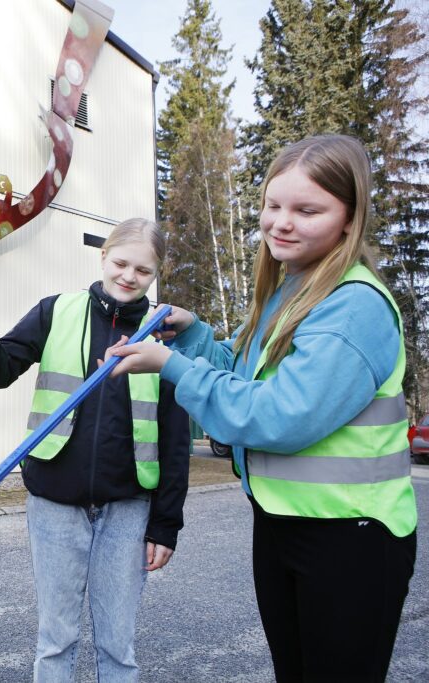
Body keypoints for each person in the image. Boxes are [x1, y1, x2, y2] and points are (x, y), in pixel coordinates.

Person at [108, 135, 417, 682]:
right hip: (282, 524)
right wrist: (197, 337)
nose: (281, 223)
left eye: (307, 210)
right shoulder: (291, 289)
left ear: (350, 217)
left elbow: (280, 416)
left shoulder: (352, 307)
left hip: (351, 537)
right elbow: (242, 374)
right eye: (273, 206)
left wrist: (172, 365)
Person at [0, 218, 190, 682]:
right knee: (56, 641)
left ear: (156, 274)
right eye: (121, 262)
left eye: (143, 271)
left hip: (128, 508)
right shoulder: (56, 312)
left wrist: (166, 524)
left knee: (117, 646)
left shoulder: (164, 339)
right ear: (102, 257)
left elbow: (174, 441)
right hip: (54, 502)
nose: (128, 276)